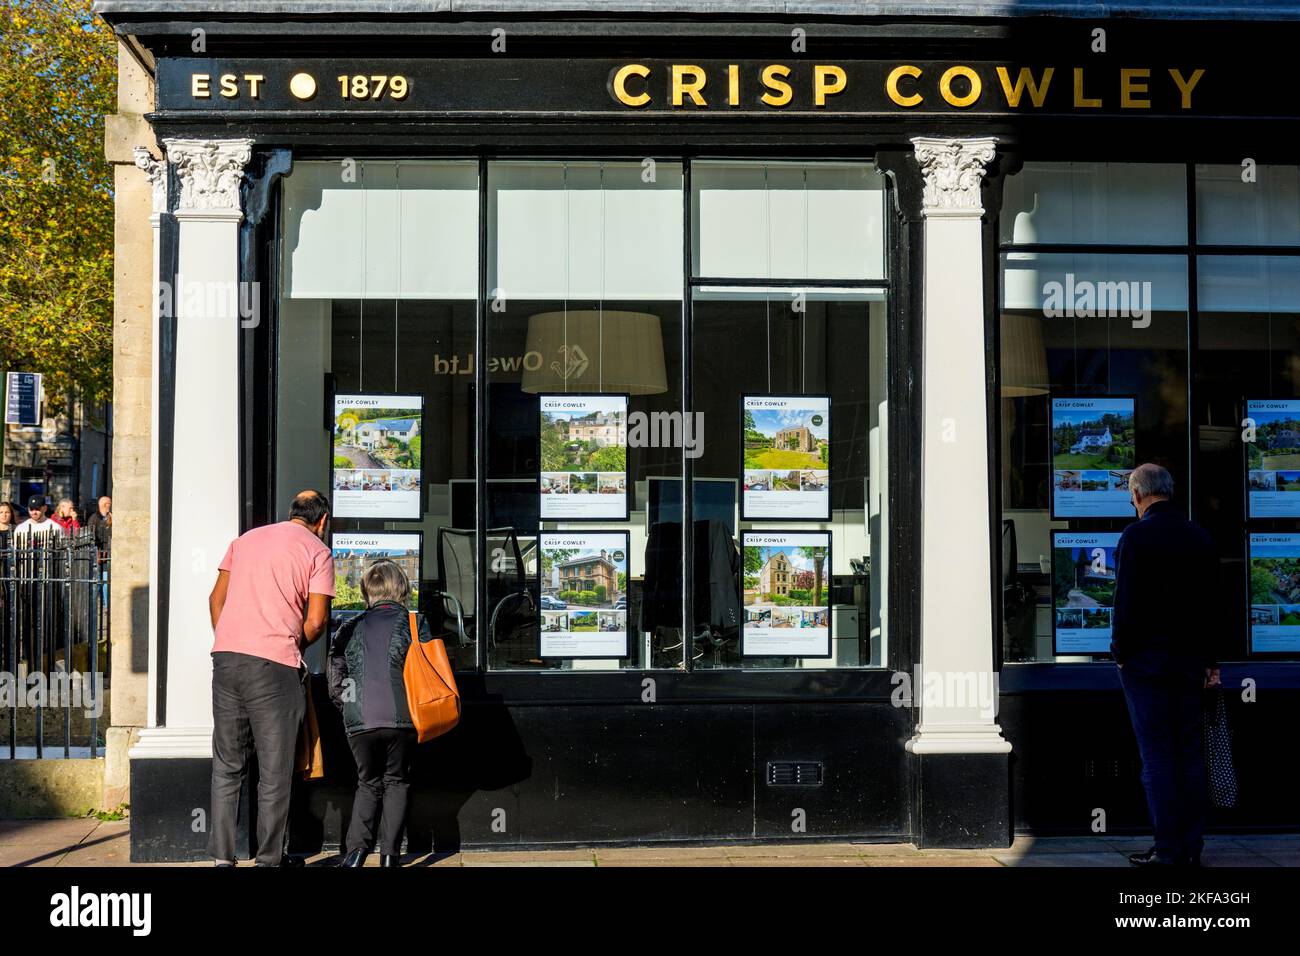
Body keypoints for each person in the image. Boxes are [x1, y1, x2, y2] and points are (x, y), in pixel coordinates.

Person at [207, 490, 335, 867]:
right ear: (322, 522)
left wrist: (230, 638)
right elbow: (316, 621)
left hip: (226, 659)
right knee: (275, 771)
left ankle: (222, 860)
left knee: (227, 765)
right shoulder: (317, 551)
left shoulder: (245, 540)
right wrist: (287, 643)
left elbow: (216, 599)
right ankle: (267, 860)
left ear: (291, 513)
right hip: (274, 665)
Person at [1111, 463, 1220, 868]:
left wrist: (1120, 653)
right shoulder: (1199, 536)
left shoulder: (1136, 536)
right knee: (1190, 755)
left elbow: (1126, 602)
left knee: (1156, 757)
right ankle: (1191, 847)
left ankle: (1168, 849)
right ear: (1169, 491)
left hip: (1146, 665)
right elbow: (1212, 607)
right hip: (1190, 664)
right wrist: (1211, 663)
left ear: (1138, 495)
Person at [327, 559, 432, 868]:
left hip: (359, 720)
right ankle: (389, 856)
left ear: (367, 592)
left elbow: (336, 681)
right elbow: (430, 670)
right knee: (397, 781)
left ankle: (356, 854)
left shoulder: (349, 627)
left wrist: (349, 707)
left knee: (367, 782)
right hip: (403, 718)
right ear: (401, 589)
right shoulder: (416, 624)